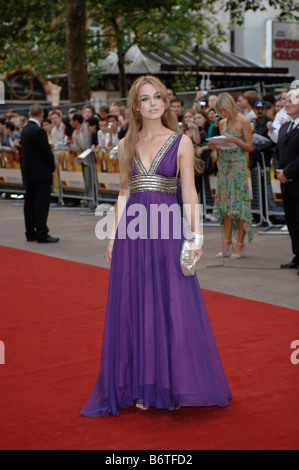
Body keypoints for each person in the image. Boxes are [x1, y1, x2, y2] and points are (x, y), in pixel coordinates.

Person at [80, 75, 231, 418]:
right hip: (133, 233)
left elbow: (190, 193)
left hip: (165, 231)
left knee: (170, 305)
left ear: (165, 103)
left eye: (158, 97)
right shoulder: (125, 145)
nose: (153, 103)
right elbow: (123, 193)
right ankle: (139, 384)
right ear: (135, 105)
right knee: (135, 304)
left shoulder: (181, 142)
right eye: (145, 98)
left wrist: (196, 237)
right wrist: (114, 236)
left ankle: (169, 384)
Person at [208, 92, 253, 259]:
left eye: (224, 110)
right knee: (225, 206)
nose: (223, 114)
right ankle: (227, 241)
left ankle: (240, 243)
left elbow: (249, 146)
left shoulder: (244, 121)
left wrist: (235, 141)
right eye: (220, 111)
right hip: (224, 167)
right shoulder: (222, 123)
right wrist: (216, 144)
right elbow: (222, 145)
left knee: (239, 206)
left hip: (238, 167)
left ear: (231, 106)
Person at [21, 104, 59, 243]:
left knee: (29, 202)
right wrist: (52, 167)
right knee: (41, 203)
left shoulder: (25, 129)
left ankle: (30, 232)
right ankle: (42, 232)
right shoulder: (38, 131)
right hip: (41, 173)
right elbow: (46, 153)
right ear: (42, 115)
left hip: (28, 173)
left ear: (30, 113)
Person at [273, 90, 299, 275]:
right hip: (286, 182)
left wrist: (288, 172)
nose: (286, 104)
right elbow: (276, 152)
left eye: (290, 101)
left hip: (297, 180)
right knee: (291, 221)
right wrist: (279, 172)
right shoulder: (284, 127)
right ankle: (297, 256)